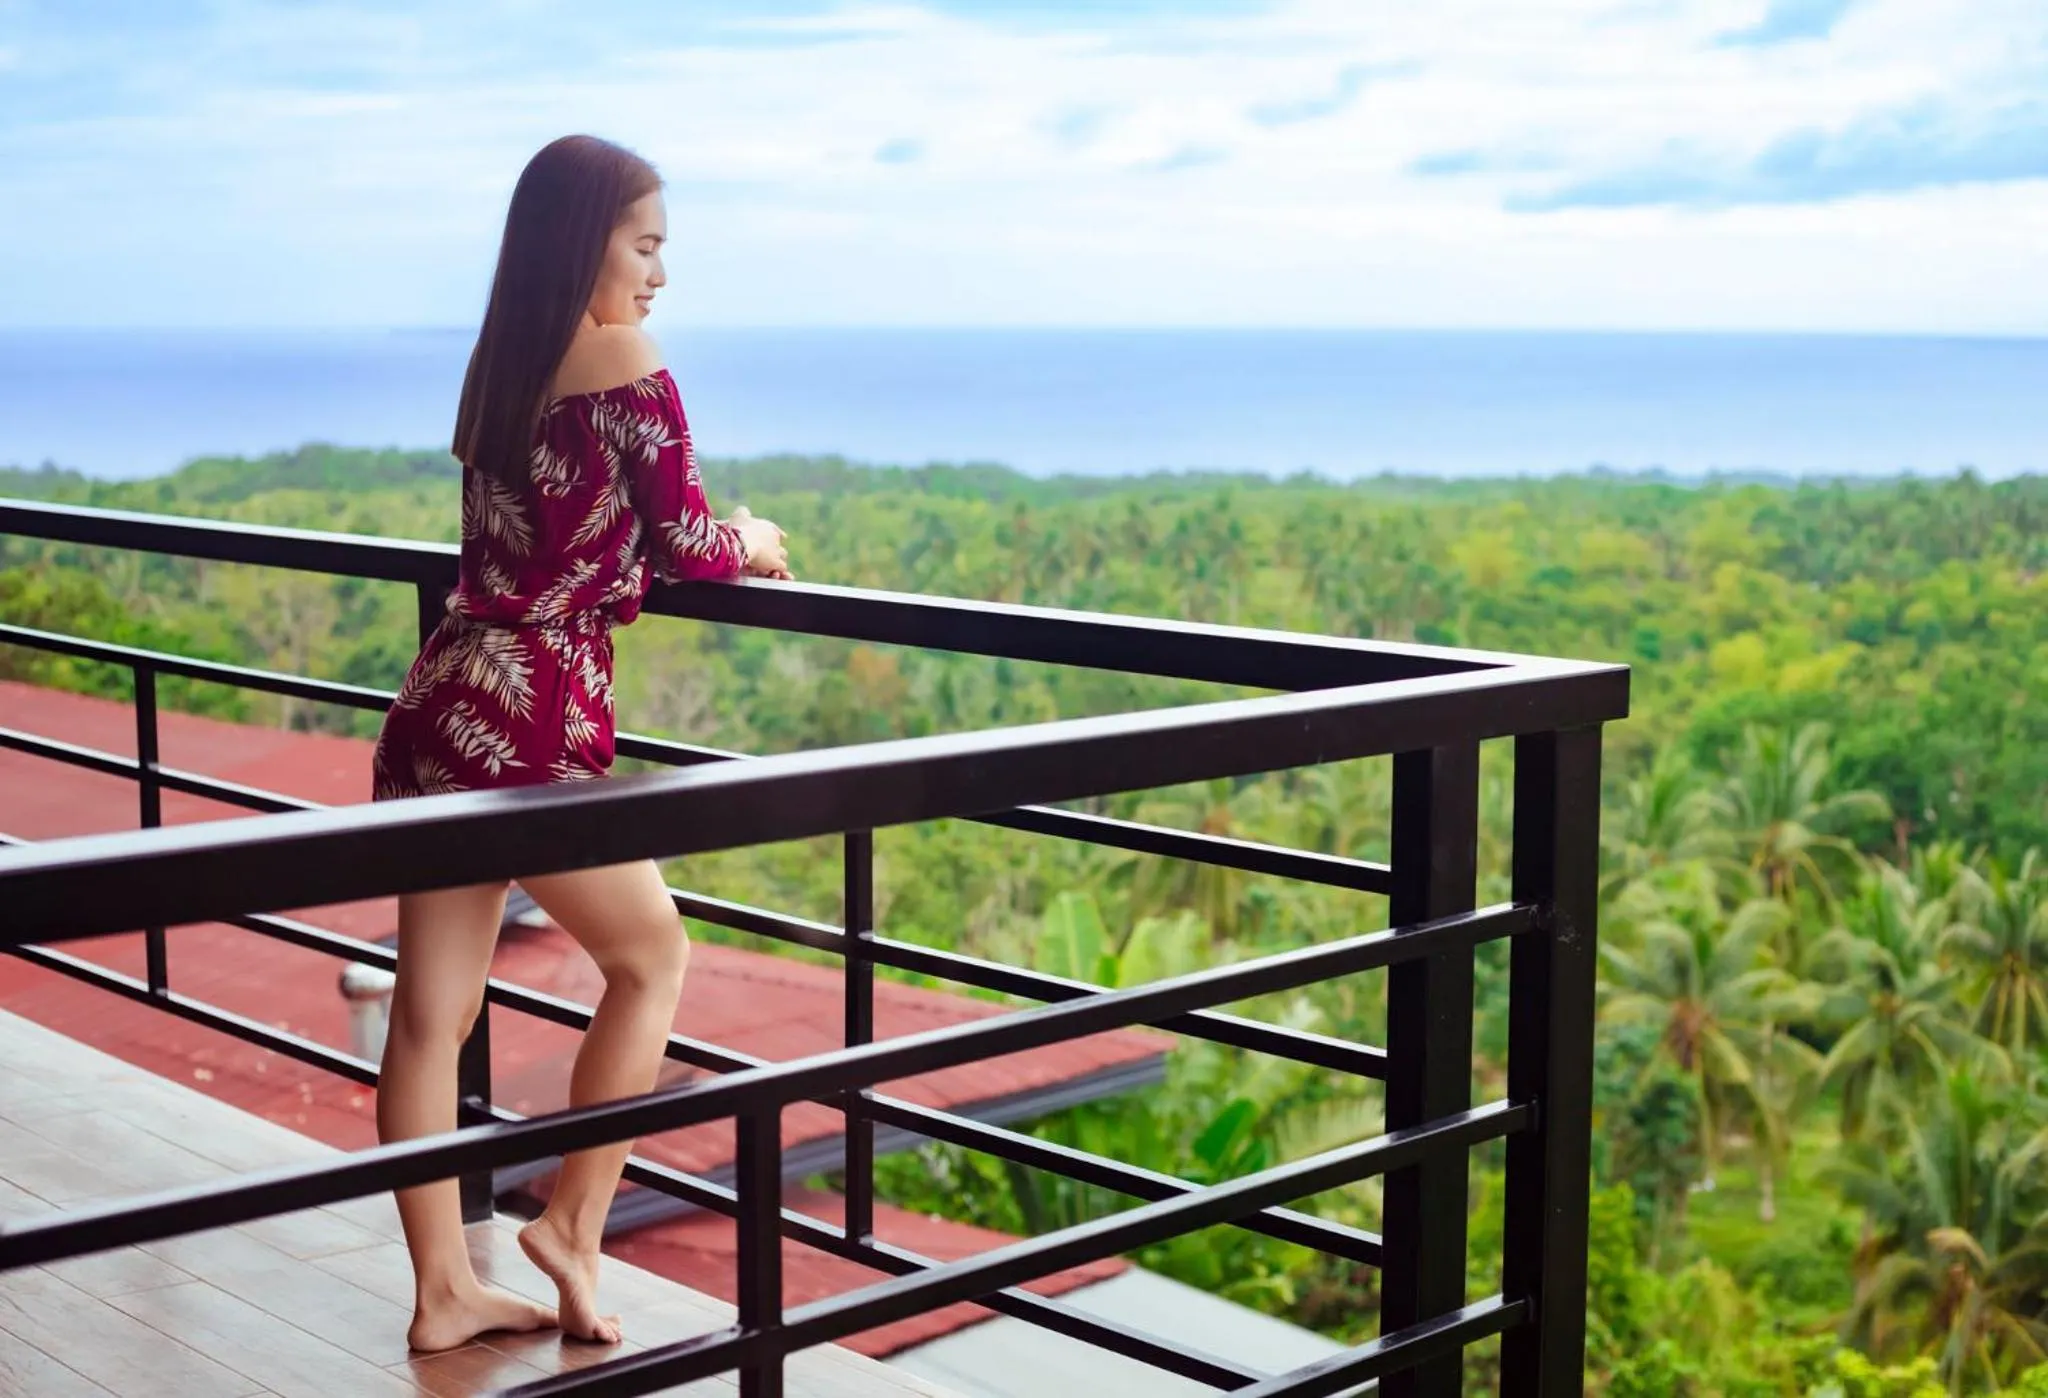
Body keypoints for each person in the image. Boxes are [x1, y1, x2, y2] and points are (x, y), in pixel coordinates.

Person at [368, 133, 790, 1353]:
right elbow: (688, 542)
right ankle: (571, 1224)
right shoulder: (621, 359)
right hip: (531, 723)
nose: (660, 276)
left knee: (427, 1016)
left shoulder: (502, 360)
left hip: (443, 699)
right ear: (585, 240)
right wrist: (752, 540)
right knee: (652, 959)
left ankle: (445, 1291)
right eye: (646, 244)